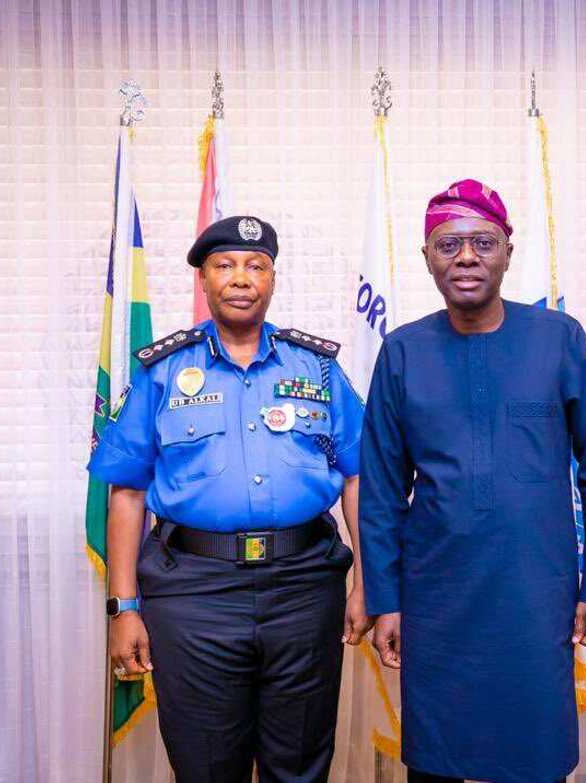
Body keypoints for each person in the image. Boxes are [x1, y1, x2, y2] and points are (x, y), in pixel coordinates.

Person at [87, 215, 372, 782]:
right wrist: (124, 609)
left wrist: (368, 582)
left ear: (272, 280)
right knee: (206, 765)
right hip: (194, 594)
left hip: (304, 589)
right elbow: (127, 492)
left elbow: (358, 476)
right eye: (225, 265)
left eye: (256, 266)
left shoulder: (316, 367)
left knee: (299, 763)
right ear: (203, 280)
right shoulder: (164, 372)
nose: (241, 278)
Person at [360, 180, 586, 783]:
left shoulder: (560, 339)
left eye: (483, 241)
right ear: (426, 256)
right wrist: (386, 599)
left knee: (537, 757)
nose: (467, 256)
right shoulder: (401, 353)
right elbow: (379, 490)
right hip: (437, 599)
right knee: (436, 760)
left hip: (537, 593)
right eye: (448, 243)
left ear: (509, 249)